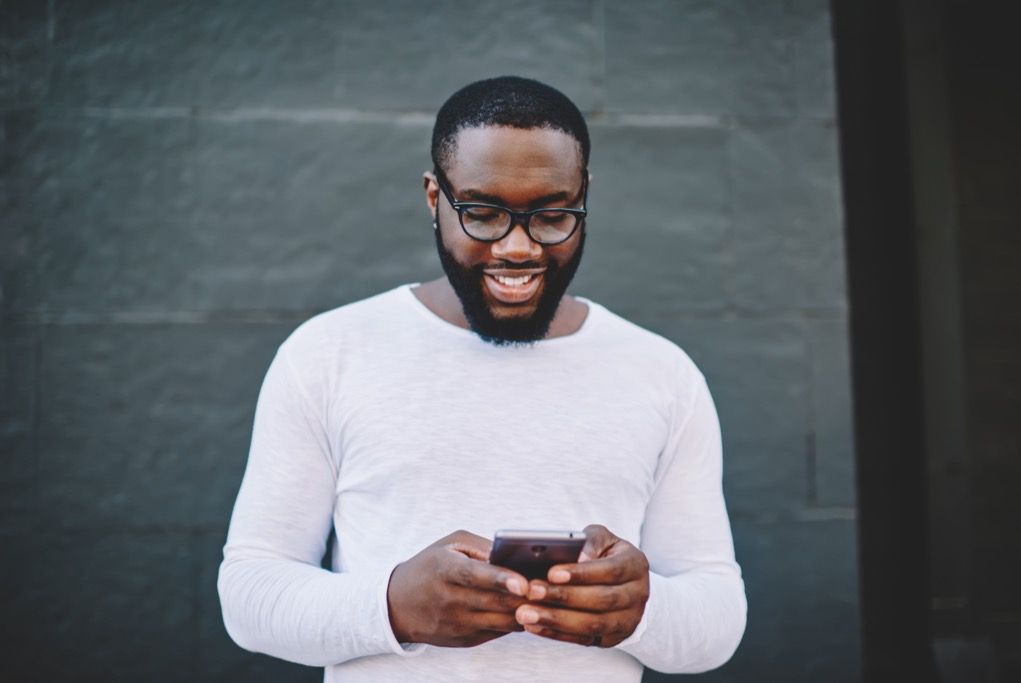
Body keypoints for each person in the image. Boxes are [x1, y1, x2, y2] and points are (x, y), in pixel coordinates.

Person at [218, 75, 746, 682]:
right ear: (433, 198)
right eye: (483, 213)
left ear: (585, 195)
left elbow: (719, 619)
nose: (518, 248)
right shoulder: (328, 353)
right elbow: (250, 594)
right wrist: (393, 607)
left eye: (552, 216)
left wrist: (642, 610)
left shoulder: (663, 373)